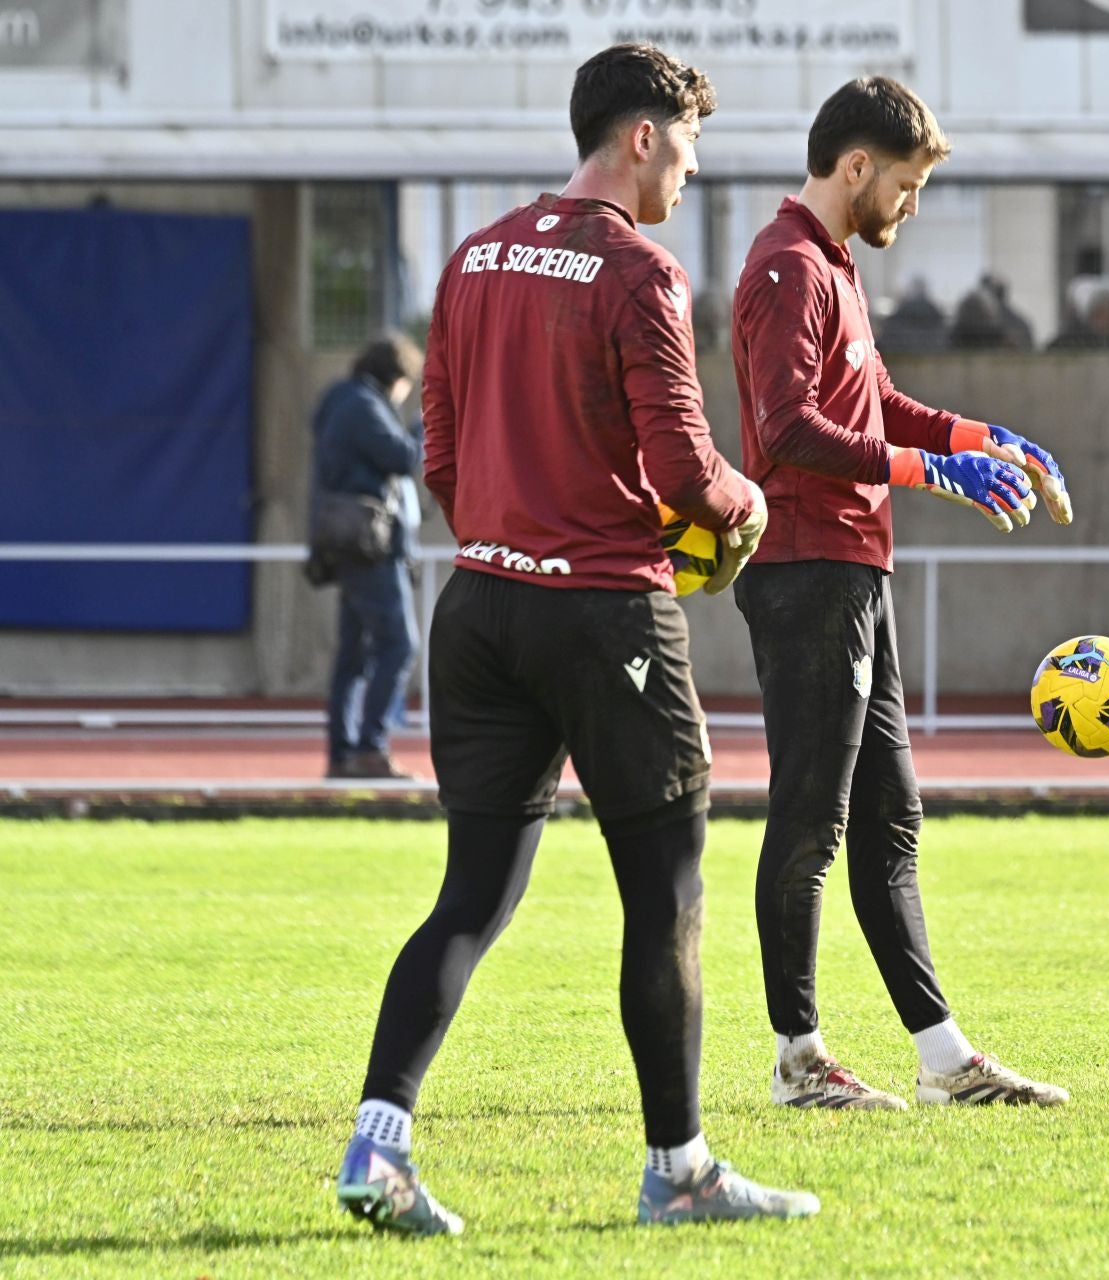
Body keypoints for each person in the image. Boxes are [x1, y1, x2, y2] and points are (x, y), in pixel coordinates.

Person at [333, 43, 817, 1235]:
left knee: (470, 897)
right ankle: (683, 1168)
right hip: (608, 616)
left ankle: (378, 1141)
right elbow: (682, 470)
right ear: (641, 135)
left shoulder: (477, 253)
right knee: (666, 895)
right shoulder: (638, 271)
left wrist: (517, 530)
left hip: (480, 604)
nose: (691, 173)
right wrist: (744, 505)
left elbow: (441, 457)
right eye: (689, 147)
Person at [730, 75, 1072, 1113]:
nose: (910, 209)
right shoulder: (788, 265)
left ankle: (943, 1060)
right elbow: (786, 428)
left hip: (851, 570)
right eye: (909, 188)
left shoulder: (830, 263)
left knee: (891, 823)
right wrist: (930, 473)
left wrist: (978, 437)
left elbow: (871, 401)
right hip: (805, 573)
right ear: (856, 168)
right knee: (811, 821)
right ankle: (799, 1056)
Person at [312, 335, 425, 781]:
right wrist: (419, 429)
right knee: (400, 644)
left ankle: (343, 754)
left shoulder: (337, 400)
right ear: (394, 377)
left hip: (346, 541)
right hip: (370, 544)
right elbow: (400, 457)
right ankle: (370, 747)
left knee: (353, 654)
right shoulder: (364, 405)